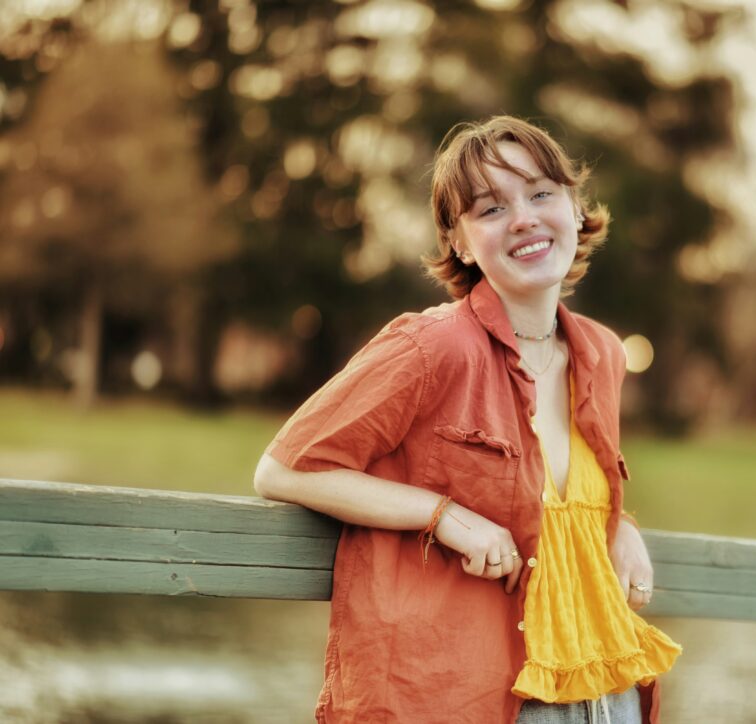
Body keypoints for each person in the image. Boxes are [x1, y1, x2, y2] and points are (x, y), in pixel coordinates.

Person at [254, 116, 681, 724]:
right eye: (490, 209)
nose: (524, 218)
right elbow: (285, 470)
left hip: (609, 693)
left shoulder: (603, 353)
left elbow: (556, 497)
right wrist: (444, 517)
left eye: (540, 193)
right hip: (485, 696)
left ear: (574, 206)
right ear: (459, 241)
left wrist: (619, 524)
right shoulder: (431, 347)